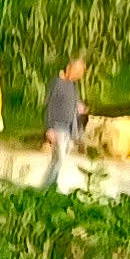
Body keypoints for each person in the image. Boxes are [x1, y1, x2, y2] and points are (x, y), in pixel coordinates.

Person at [43, 55, 88, 194]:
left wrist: (79, 107)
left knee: (59, 159)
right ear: (69, 68)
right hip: (57, 126)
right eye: (77, 71)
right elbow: (48, 106)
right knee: (59, 158)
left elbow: (73, 102)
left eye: (81, 73)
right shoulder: (57, 83)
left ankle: (51, 185)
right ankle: (47, 188)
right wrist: (49, 128)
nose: (79, 75)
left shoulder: (73, 85)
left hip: (68, 127)